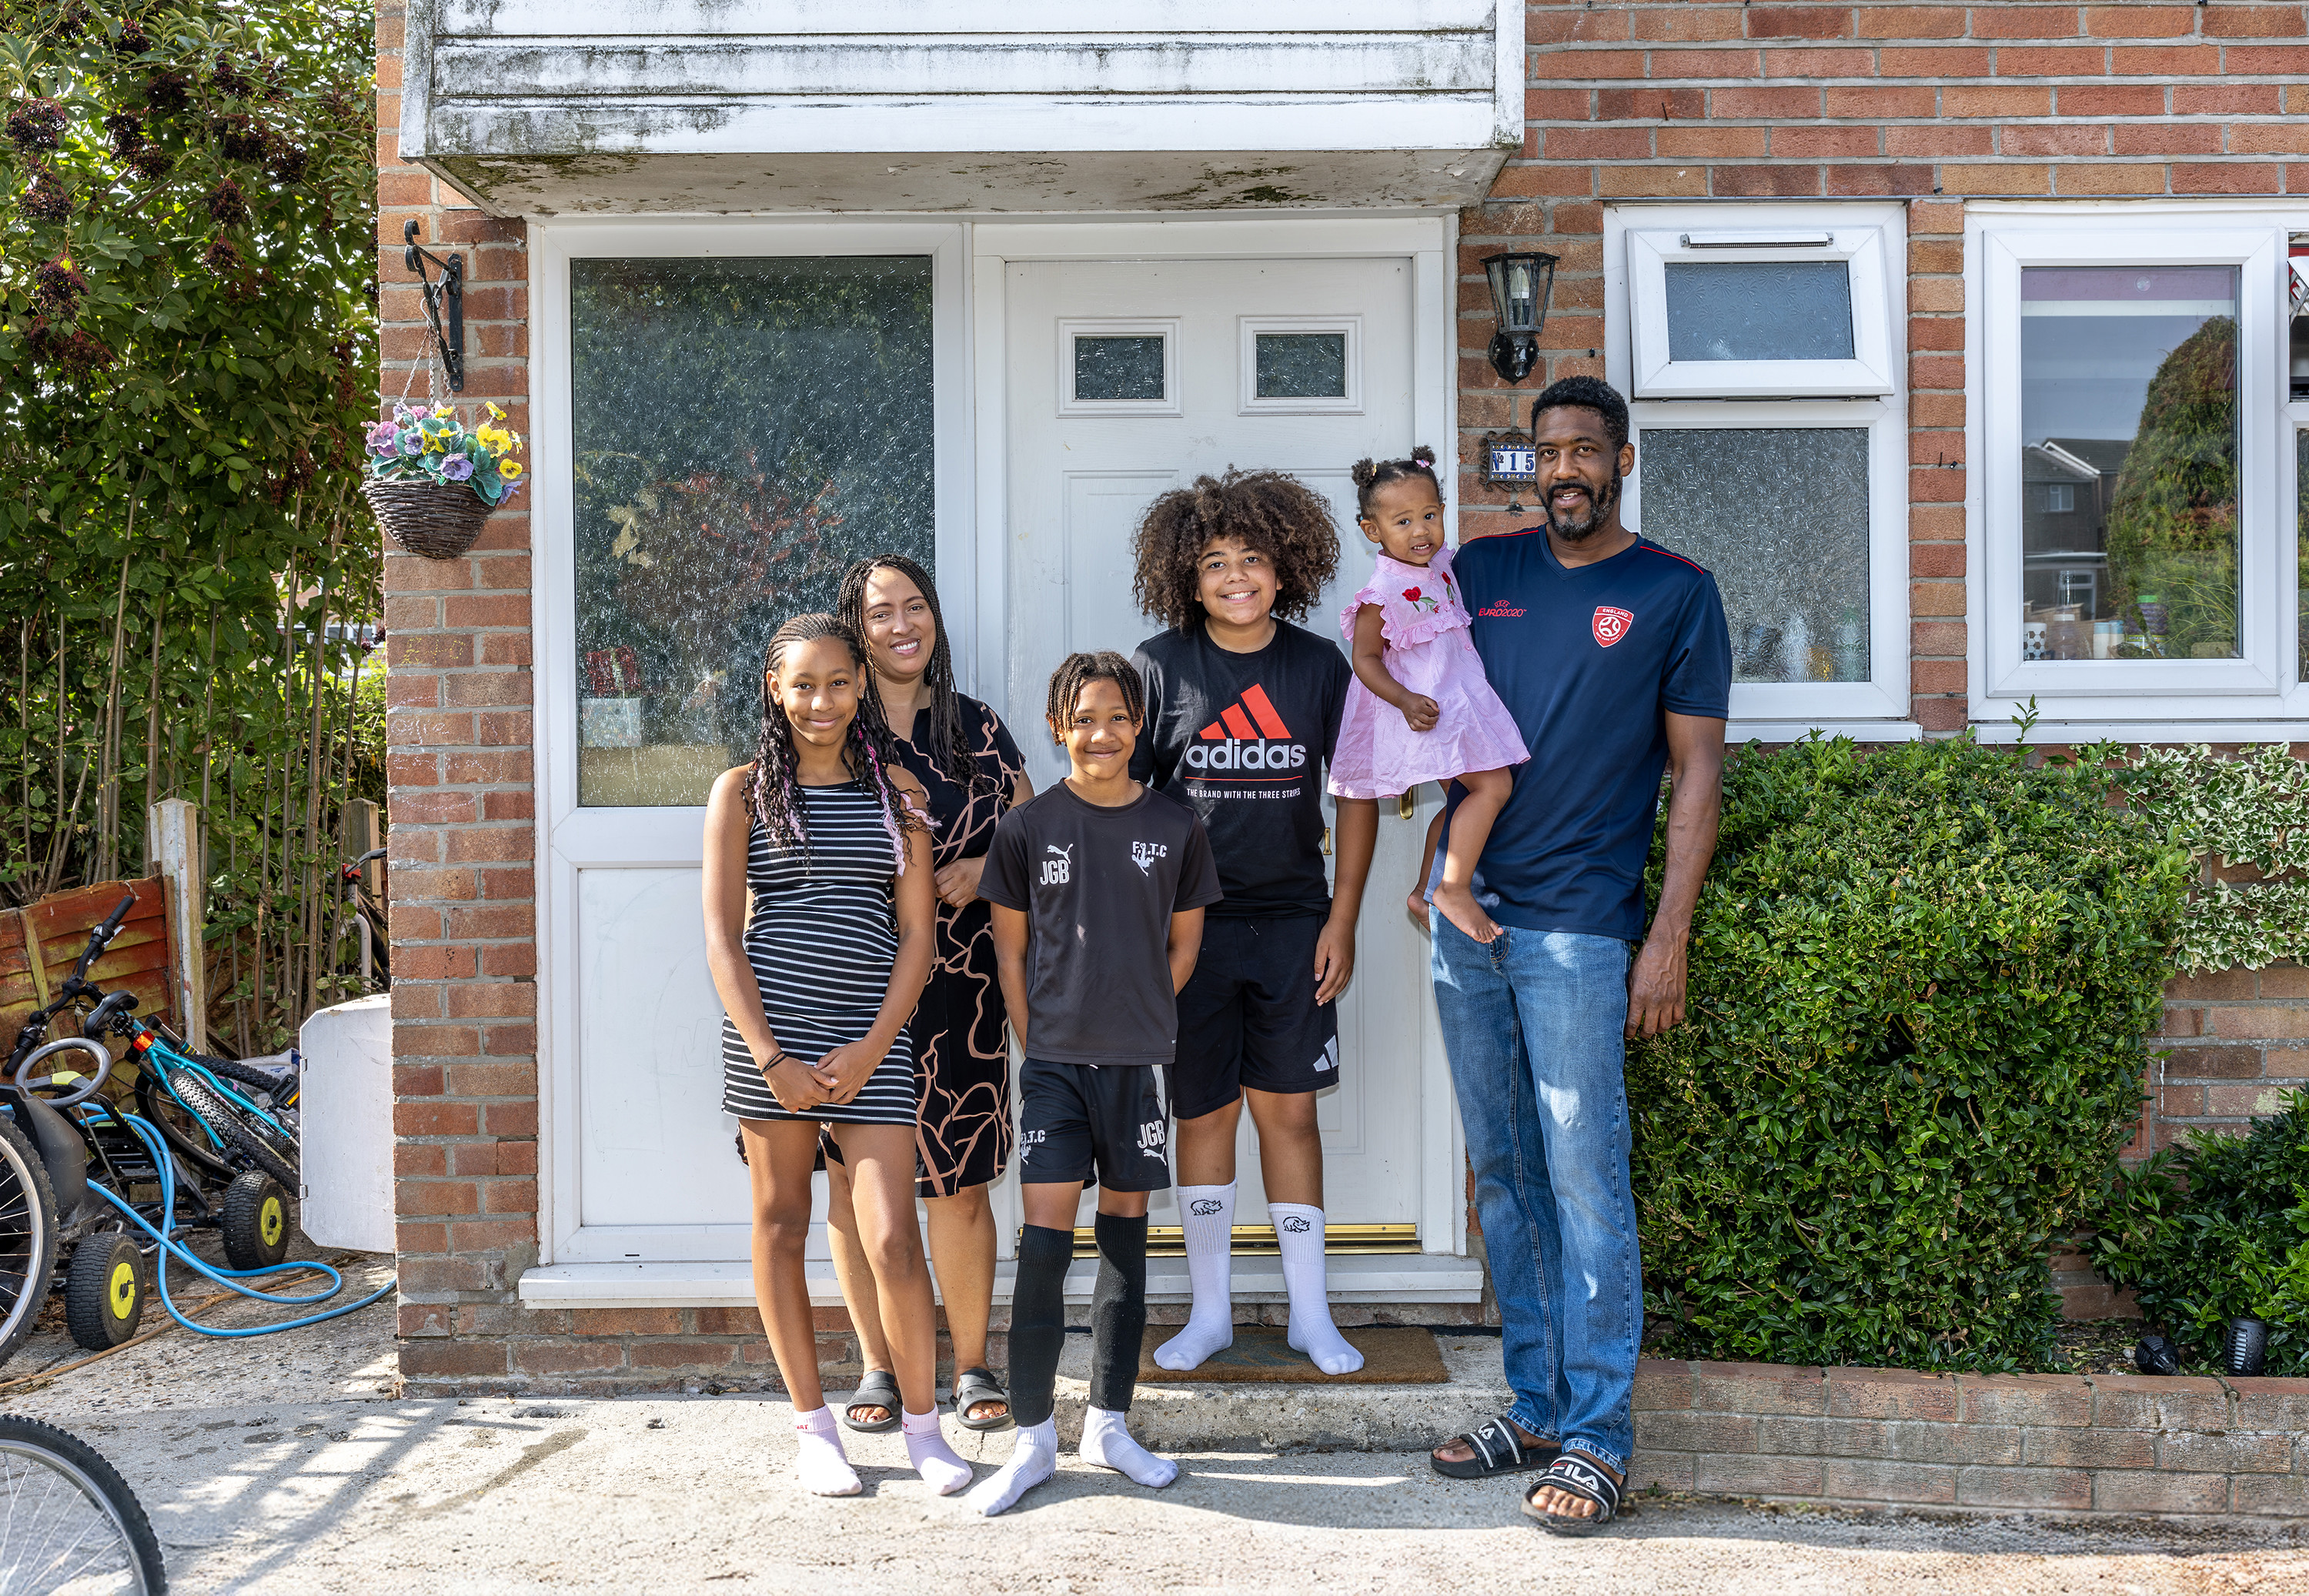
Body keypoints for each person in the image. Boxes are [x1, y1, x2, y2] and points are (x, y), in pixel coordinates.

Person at [1418, 376, 1728, 1535]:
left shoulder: (1675, 594)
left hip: (1581, 930)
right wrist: (1438, 857)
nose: (1562, 470)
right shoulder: (1480, 572)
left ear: (1622, 461)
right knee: (1504, 1170)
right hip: (1471, 924)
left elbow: (1696, 772)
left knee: (1587, 1180)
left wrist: (1668, 938)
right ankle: (1538, 1403)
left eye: (1584, 452)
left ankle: (1600, 1434)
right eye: (1546, 452)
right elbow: (1426, 711)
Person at [700, 613, 973, 1501]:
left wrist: (874, 1046)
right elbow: (722, 939)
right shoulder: (739, 793)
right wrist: (771, 1056)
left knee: (893, 1236)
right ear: (775, 691)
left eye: (839, 683)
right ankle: (814, 1430)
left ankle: (926, 1432)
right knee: (780, 1227)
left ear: (862, 688)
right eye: (803, 684)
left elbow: (919, 936)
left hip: (871, 1044)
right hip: (772, 1047)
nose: (822, 701)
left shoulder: (897, 791)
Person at [1126, 469, 1378, 1378]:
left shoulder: (1318, 668)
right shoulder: (1159, 665)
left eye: (1254, 559)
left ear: (1287, 567)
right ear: (1187, 580)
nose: (1237, 577)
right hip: (1192, 931)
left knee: (1289, 1113)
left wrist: (1343, 916)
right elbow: (1131, 802)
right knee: (1203, 1112)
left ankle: (1312, 1314)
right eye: (1216, 563)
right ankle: (1212, 1313)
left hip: (1294, 924)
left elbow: (1354, 792)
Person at [967, 651, 1222, 1517]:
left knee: (1124, 1235)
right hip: (1053, 1069)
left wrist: (1139, 1014)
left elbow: (1184, 948)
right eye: (1083, 718)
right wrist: (1037, 1036)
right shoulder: (1028, 827)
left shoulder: (1176, 826)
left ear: (1138, 727)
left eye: (1117, 717)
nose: (1101, 733)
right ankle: (1034, 1437)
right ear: (1058, 726)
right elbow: (1008, 949)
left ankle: (1108, 1424)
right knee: (1044, 1241)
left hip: (1136, 1064)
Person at [820, 554, 1031, 1436]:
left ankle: (972, 1359)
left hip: (966, 989)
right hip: (854, 989)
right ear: (855, 627)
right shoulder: (829, 724)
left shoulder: (976, 727)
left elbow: (1038, 831)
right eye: (881, 612)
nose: (903, 624)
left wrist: (986, 869)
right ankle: (879, 1363)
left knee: (963, 1184)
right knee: (856, 1189)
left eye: (916, 607)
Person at [1329, 446, 1529, 944]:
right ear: (1372, 530)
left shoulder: (1442, 563)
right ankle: (1452, 889)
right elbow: (1365, 660)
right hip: (1426, 710)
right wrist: (1403, 700)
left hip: (1455, 701)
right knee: (1494, 787)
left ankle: (1425, 890)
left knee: (1468, 795)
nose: (1421, 531)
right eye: (1403, 521)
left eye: (1430, 515)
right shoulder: (1382, 591)